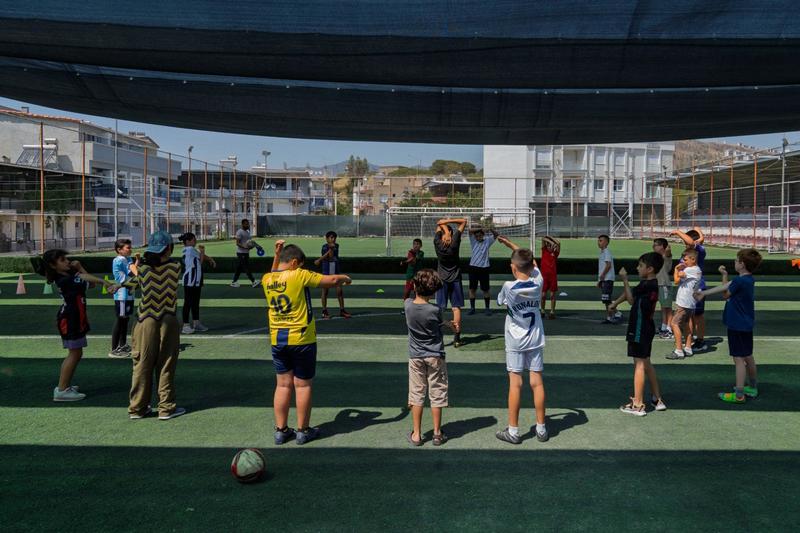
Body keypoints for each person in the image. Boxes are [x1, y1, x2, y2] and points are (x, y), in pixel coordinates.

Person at [264, 240, 352, 445]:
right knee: (302, 386)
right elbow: (331, 280)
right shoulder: (298, 274)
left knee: (282, 385)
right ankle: (303, 430)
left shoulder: (267, 279)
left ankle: (281, 431)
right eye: (300, 264)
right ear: (294, 262)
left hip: (278, 338)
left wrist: (276, 254)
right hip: (301, 338)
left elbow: (274, 272)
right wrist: (344, 278)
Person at [34, 249, 117, 401]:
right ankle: (62, 390)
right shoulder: (66, 280)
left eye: (66, 258)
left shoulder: (68, 276)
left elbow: (90, 284)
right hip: (71, 320)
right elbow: (89, 281)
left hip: (74, 318)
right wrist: (103, 281)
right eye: (62, 260)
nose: (67, 261)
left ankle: (64, 386)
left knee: (76, 353)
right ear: (53, 265)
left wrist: (80, 269)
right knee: (74, 354)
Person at [123, 231, 185, 420]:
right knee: (166, 363)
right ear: (169, 248)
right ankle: (166, 407)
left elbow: (131, 283)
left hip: (145, 319)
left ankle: (138, 408)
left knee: (142, 363)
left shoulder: (142, 269)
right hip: (169, 318)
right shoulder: (176, 266)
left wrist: (135, 266)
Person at [494, 236, 548, 444]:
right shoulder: (538, 281)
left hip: (515, 340)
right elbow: (531, 263)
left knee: (515, 384)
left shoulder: (509, 286)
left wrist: (510, 247)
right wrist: (512, 246)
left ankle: (514, 431)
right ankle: (541, 429)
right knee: (537, 383)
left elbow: (500, 302)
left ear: (513, 267)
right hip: (535, 337)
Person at [694, 249, 762, 403]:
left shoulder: (739, 281)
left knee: (738, 359)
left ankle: (739, 395)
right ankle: (752, 387)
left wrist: (706, 291)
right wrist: (704, 293)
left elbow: (725, 294)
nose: (735, 262)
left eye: (737, 260)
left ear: (742, 264)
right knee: (748, 356)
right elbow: (726, 287)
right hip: (746, 324)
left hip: (736, 324)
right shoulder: (748, 279)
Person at [609, 253, 667, 416]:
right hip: (646, 326)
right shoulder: (648, 284)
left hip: (639, 327)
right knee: (646, 363)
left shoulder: (647, 285)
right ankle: (657, 398)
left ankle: (638, 404)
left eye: (641, 266)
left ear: (650, 269)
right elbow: (631, 293)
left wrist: (624, 279)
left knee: (639, 364)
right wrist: (614, 303)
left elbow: (630, 299)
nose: (637, 268)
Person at [404, 268, 453, 446]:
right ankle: (437, 433)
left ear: (415, 287)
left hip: (416, 356)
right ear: (433, 292)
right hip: (435, 355)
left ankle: (416, 434)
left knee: (417, 394)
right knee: (437, 393)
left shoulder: (408, 305)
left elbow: (411, 297)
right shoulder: (435, 309)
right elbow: (437, 322)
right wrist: (449, 324)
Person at [671, 227, 708, 352]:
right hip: (687, 289)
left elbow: (693, 242)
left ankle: (700, 340)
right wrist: (700, 232)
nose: (684, 243)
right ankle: (689, 341)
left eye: (685, 240)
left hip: (697, 288)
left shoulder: (698, 250)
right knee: (690, 316)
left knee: (698, 315)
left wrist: (678, 232)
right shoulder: (689, 252)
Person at [434, 218, 467, 347]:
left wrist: (444, 227)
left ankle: (437, 338)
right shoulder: (454, 243)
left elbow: (439, 222)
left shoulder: (437, 243)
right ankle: (457, 338)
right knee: (456, 308)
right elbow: (463, 221)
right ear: (452, 235)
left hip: (442, 280)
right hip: (455, 279)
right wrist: (450, 220)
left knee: (439, 308)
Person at [667, 249, 701, 360]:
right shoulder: (697, 269)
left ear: (693, 259)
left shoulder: (690, 270)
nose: (683, 262)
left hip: (684, 302)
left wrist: (676, 269)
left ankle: (679, 350)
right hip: (690, 302)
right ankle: (688, 347)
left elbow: (676, 280)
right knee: (686, 324)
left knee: (674, 324)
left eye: (685, 260)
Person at [179, 232, 216, 334]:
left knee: (194, 302)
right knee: (188, 303)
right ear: (187, 241)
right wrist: (203, 252)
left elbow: (199, 260)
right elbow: (200, 260)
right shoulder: (190, 250)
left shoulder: (189, 250)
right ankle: (186, 325)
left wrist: (209, 258)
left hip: (194, 280)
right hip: (190, 280)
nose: (195, 241)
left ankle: (196, 323)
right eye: (193, 239)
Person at [314, 231, 351, 319]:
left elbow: (331, 256)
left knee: (339, 291)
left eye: (334, 237)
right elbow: (329, 256)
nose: (333, 239)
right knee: (325, 291)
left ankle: (342, 310)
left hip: (335, 270)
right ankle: (324, 311)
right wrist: (329, 249)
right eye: (331, 237)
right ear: (327, 239)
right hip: (326, 270)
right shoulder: (324, 247)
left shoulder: (336, 246)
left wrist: (319, 260)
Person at [110, 238, 134, 358]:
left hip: (128, 293)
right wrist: (138, 263)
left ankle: (123, 344)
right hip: (122, 294)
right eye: (127, 248)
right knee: (120, 320)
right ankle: (114, 349)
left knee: (125, 320)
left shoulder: (127, 259)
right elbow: (132, 273)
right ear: (119, 250)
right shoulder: (120, 260)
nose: (130, 249)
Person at [467, 226, 497, 315]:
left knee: (485, 289)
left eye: (480, 235)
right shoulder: (473, 240)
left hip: (484, 268)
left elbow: (496, 235)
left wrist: (490, 229)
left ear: (483, 235)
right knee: (472, 289)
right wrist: (481, 229)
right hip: (473, 267)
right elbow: (470, 231)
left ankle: (487, 308)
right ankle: (472, 308)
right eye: (476, 236)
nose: (478, 237)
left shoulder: (487, 241)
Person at [652, 238, 674, 339]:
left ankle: (669, 329)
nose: (653, 247)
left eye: (656, 245)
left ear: (662, 246)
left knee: (667, 308)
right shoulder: (656, 257)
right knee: (663, 307)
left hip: (664, 285)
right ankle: (664, 327)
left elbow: (668, 252)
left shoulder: (665, 256)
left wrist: (667, 248)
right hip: (658, 284)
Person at [230, 219, 259, 288]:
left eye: (248, 224)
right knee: (246, 267)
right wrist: (245, 247)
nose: (248, 225)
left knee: (239, 268)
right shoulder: (239, 232)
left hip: (246, 253)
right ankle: (253, 281)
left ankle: (234, 282)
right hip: (241, 253)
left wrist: (257, 246)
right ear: (242, 224)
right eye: (246, 224)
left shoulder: (247, 232)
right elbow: (237, 243)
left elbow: (250, 242)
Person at [539, 236, 561, 319]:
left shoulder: (555, 253)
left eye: (551, 246)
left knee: (552, 295)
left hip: (552, 277)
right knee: (543, 295)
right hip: (544, 277)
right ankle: (542, 311)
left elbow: (558, 243)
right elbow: (543, 239)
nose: (549, 247)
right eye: (548, 245)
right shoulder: (544, 251)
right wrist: (550, 241)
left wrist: (553, 240)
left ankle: (552, 312)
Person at [597, 234, 617, 323]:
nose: (599, 242)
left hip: (607, 279)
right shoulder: (602, 252)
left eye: (601, 240)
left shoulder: (606, 252)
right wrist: (599, 281)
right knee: (606, 299)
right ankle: (609, 317)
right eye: (598, 241)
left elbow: (608, 265)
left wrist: (602, 275)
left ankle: (617, 313)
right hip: (604, 279)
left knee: (607, 299)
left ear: (606, 242)